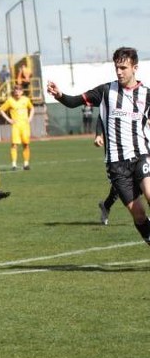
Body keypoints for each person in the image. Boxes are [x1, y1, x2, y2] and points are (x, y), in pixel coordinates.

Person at [47, 47, 150, 245]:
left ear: (134, 68)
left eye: (123, 67)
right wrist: (60, 94)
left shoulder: (147, 95)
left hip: (142, 156)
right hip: (116, 165)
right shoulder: (105, 91)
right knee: (138, 214)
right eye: (116, 67)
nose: (119, 72)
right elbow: (74, 101)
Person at [0, 83, 34, 170]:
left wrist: (30, 117)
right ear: (14, 92)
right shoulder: (10, 101)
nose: (17, 92)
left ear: (22, 92)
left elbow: (32, 108)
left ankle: (26, 164)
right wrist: (9, 119)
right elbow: (1, 110)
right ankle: (14, 164)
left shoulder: (26, 100)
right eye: (16, 91)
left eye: (19, 91)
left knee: (26, 144)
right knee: (14, 144)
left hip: (25, 126)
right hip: (16, 126)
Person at [94, 121, 119, 226]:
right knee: (118, 187)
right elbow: (101, 115)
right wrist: (98, 135)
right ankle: (106, 206)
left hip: (138, 151)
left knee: (144, 182)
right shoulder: (109, 105)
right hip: (114, 154)